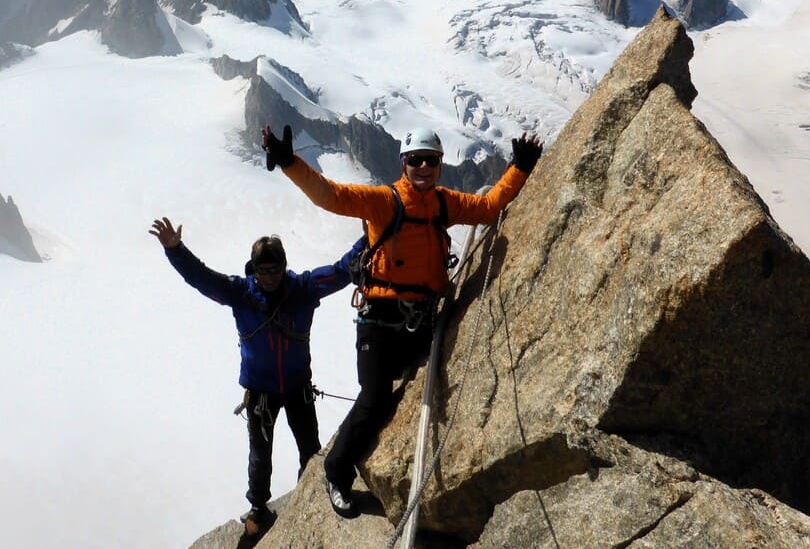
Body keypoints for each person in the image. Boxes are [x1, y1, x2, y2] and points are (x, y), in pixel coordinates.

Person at [260, 123, 543, 517]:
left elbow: (490, 207)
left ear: (440, 164)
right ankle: (335, 471)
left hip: (421, 323)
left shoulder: (444, 203)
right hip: (379, 324)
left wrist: (520, 168)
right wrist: (289, 160)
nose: (424, 167)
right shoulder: (384, 201)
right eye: (416, 160)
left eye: (431, 160)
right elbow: (330, 195)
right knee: (375, 399)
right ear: (404, 164)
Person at [148, 217, 361, 539]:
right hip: (264, 390)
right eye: (263, 271)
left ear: (283, 267)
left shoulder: (300, 288)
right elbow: (201, 278)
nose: (269, 277)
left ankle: (304, 497)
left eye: (274, 270)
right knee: (261, 457)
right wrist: (175, 250)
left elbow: (342, 270)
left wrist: (369, 237)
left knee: (308, 448)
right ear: (254, 270)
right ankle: (259, 507)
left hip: (293, 386)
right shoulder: (241, 292)